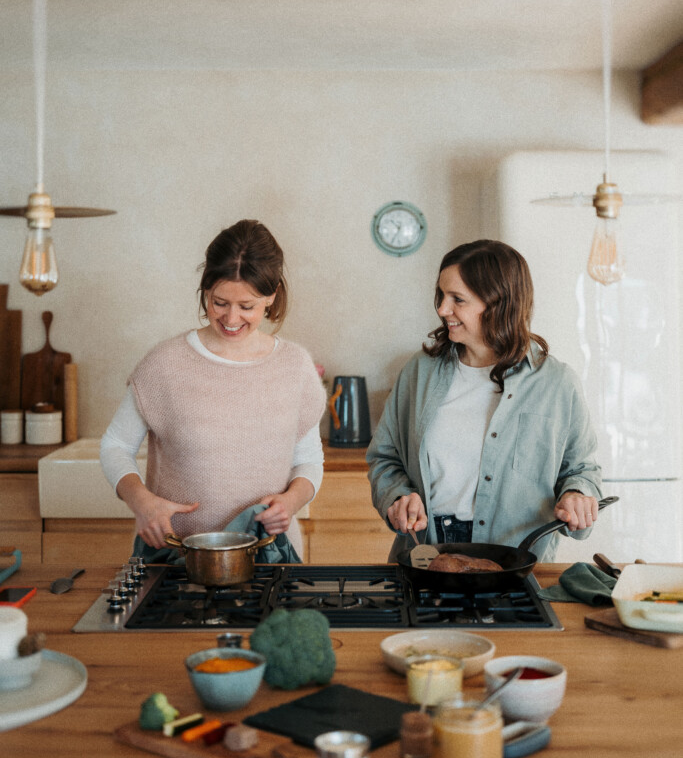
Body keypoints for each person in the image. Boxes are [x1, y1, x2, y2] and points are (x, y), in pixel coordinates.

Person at [100, 219, 326, 561]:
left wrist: (291, 501)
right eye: (219, 302)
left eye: (246, 306)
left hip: (267, 558)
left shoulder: (295, 366)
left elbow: (309, 460)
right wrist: (141, 502)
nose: (231, 318)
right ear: (205, 289)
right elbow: (115, 446)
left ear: (271, 296)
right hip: (175, 557)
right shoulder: (165, 363)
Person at [366, 239, 602, 562]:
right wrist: (399, 496)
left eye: (457, 300)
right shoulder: (419, 373)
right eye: (441, 296)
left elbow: (582, 470)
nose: (442, 309)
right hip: (425, 559)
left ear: (498, 304)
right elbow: (384, 457)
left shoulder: (557, 384)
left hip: (517, 565)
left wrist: (578, 494)